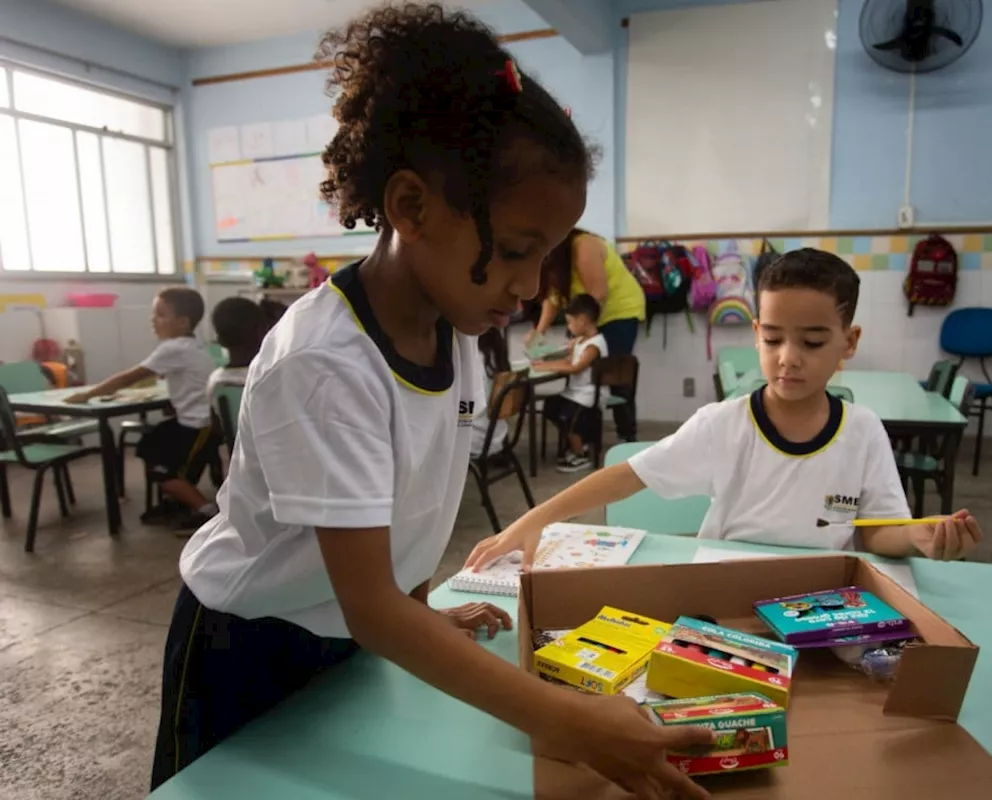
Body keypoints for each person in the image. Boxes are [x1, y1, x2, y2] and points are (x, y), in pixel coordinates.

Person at [149, 6, 711, 797]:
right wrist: (564, 717)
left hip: (347, 633)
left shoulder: (456, 329)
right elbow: (368, 601)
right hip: (248, 647)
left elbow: (401, 517)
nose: (527, 286)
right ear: (411, 208)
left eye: (545, 258)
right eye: (517, 251)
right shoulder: (326, 363)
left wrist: (422, 609)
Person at [467, 248, 984, 571]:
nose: (789, 358)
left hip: (821, 604)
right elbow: (628, 476)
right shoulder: (725, 424)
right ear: (757, 334)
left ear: (848, 343)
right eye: (774, 338)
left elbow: (874, 531)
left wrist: (919, 537)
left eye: (812, 341)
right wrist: (533, 521)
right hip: (724, 598)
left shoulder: (863, 431)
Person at [65, 287, 219, 528]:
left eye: (160, 314)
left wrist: (88, 394)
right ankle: (179, 502)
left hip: (197, 425)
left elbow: (129, 377)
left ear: (182, 322)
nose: (153, 320)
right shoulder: (193, 345)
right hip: (195, 421)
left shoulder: (174, 348)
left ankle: (208, 513)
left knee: (164, 471)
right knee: (152, 445)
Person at [527, 228, 643, 440]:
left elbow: (598, 295)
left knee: (612, 377)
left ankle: (627, 439)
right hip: (588, 317)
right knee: (584, 378)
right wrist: (538, 333)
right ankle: (585, 437)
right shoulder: (557, 261)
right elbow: (553, 298)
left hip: (618, 313)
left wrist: (585, 337)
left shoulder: (583, 246)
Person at [533, 294, 608, 472]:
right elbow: (568, 362)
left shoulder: (594, 345)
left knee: (567, 416)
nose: (568, 326)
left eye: (569, 322)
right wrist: (545, 364)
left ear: (582, 320)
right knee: (552, 406)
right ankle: (578, 445)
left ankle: (580, 454)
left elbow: (576, 368)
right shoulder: (579, 341)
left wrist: (544, 367)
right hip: (575, 392)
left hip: (589, 394)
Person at [204, 296, 269, 403]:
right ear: (261, 333)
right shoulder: (268, 376)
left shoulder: (216, 381)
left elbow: (214, 418)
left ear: (220, 341)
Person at [471, 327, 511, 458]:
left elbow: (472, 408)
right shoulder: (498, 356)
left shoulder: (474, 360)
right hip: (498, 431)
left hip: (478, 437)